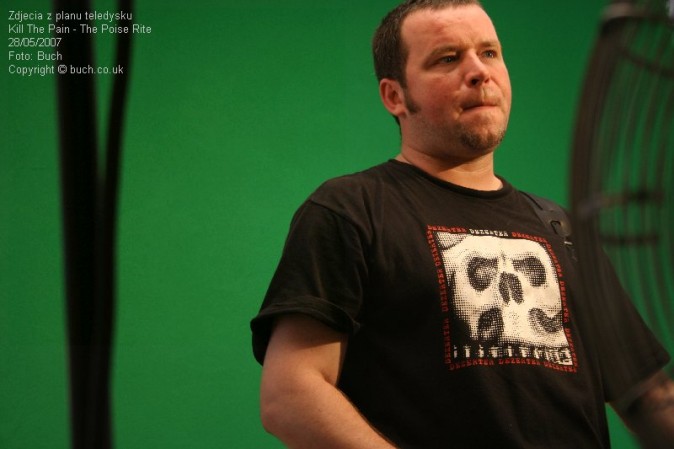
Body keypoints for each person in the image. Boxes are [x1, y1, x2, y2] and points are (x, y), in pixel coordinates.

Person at [250, 1, 674, 447]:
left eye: (489, 53)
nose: (478, 72)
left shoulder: (561, 229)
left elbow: (647, 396)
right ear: (395, 96)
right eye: (448, 59)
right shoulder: (351, 209)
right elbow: (290, 396)